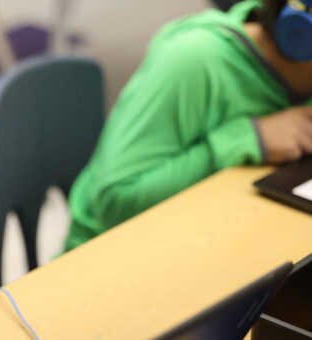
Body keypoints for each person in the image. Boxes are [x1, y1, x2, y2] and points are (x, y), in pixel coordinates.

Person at [64, 0, 312, 252]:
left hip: (221, 236)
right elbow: (114, 202)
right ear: (301, 29)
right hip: (108, 259)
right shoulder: (195, 58)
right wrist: (249, 139)